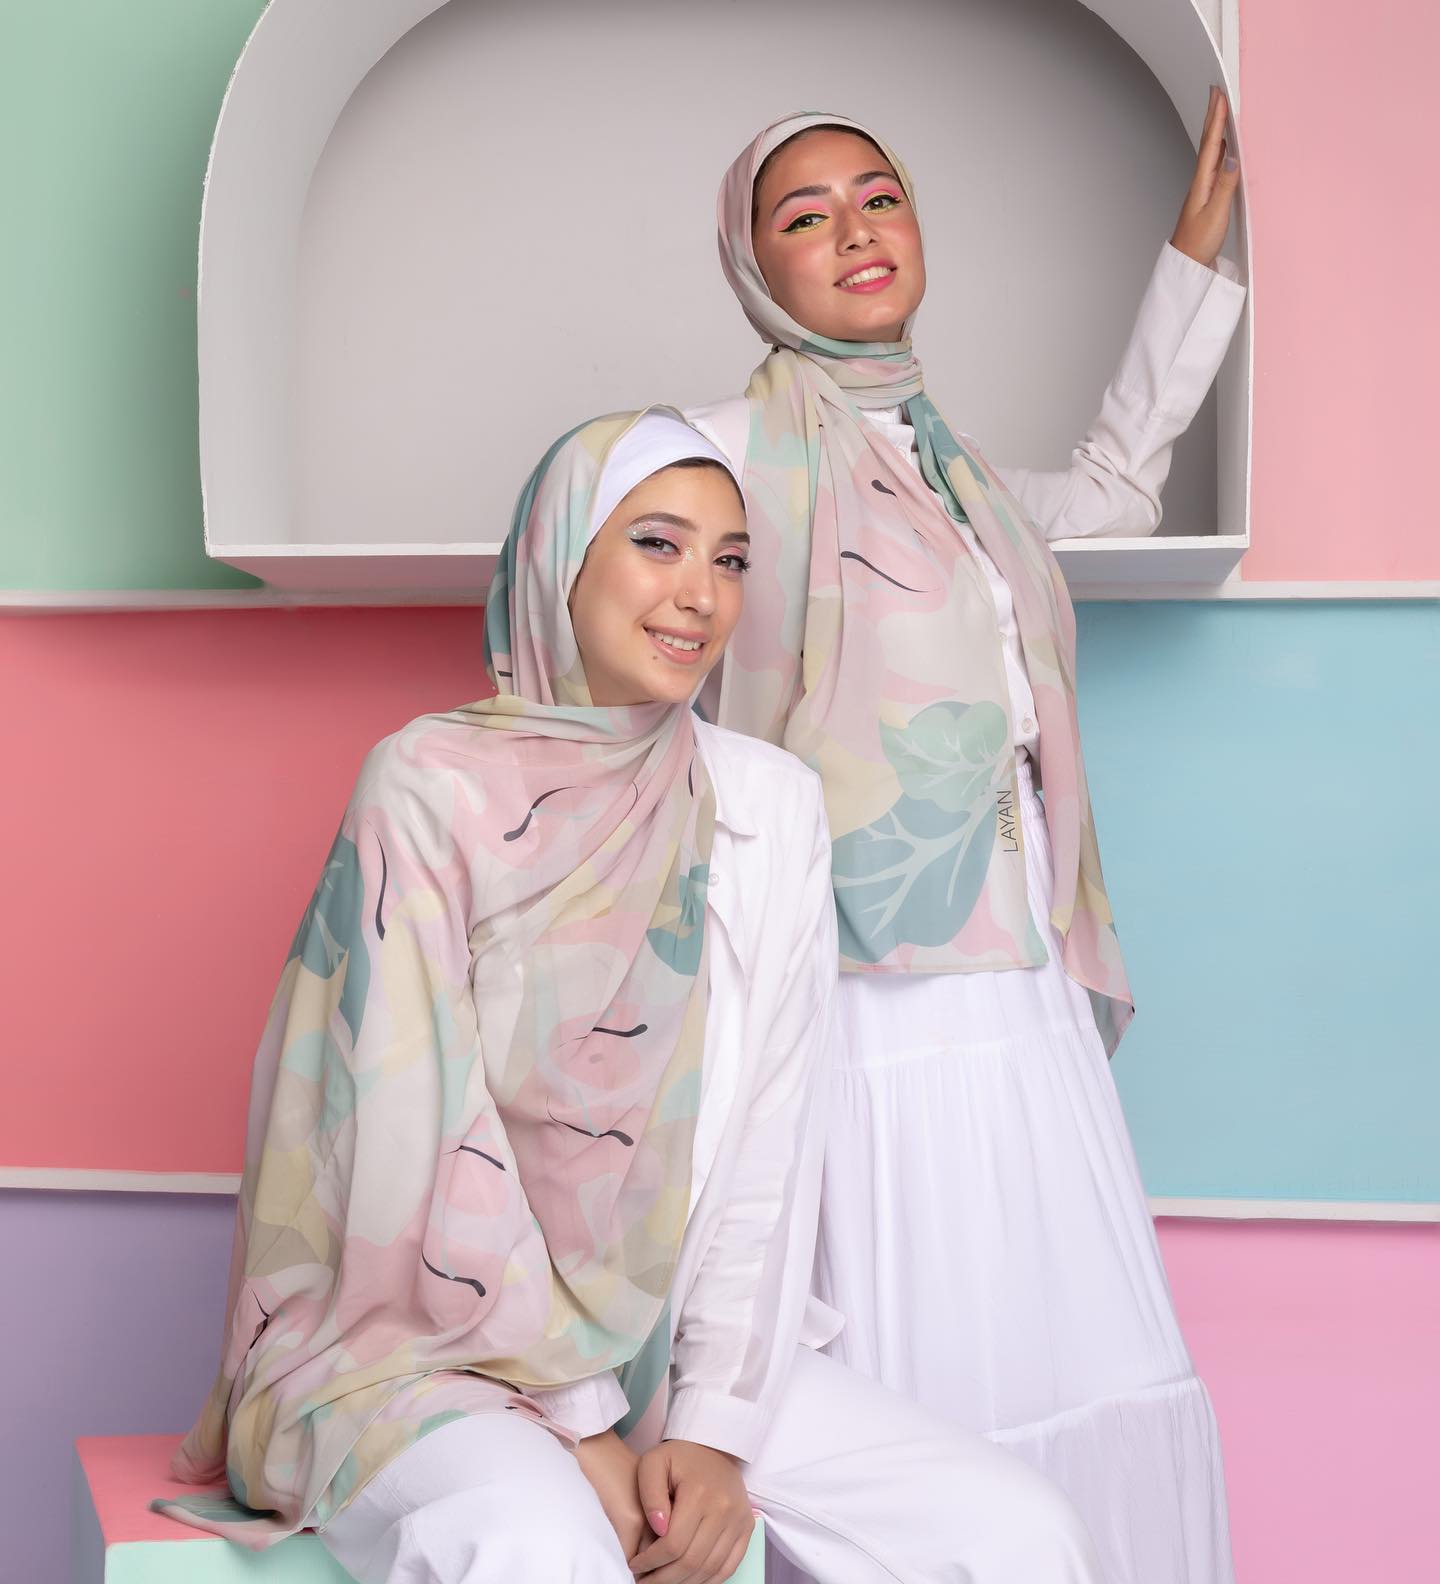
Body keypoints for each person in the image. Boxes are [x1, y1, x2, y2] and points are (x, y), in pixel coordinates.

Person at [155, 408, 1106, 1584]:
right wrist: (586, 1422)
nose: (701, 595)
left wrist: (711, 1430)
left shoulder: (769, 805)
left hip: (661, 1349)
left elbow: (769, 1150)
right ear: (564, 554)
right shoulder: (429, 786)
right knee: (538, 1546)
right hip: (422, 1351)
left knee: (1021, 1535)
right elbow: (422, 1143)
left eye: (732, 559)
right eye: (658, 543)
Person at [684, 101, 1246, 1584]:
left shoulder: (964, 477)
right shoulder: (724, 456)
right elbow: (596, 599)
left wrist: (1192, 260)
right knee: (921, 1354)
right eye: (804, 215)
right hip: (864, 988)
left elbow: (1114, 491)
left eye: (878, 196)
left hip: (1019, 971)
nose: (854, 230)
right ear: (751, 268)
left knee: (1067, 1334)